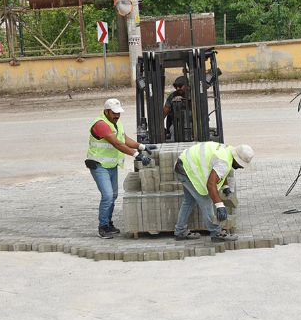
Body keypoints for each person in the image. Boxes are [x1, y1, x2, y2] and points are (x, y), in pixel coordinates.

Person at [86, 98, 156, 239]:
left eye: (118, 113)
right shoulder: (101, 124)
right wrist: (137, 155)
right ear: (106, 111)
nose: (117, 116)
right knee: (107, 195)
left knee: (114, 195)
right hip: (98, 164)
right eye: (114, 113)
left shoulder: (115, 122)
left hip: (111, 165)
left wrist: (142, 147)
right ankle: (103, 227)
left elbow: (123, 138)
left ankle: (108, 223)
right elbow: (117, 144)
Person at [173, 141, 254, 243]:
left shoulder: (228, 151)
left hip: (184, 164)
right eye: (241, 164)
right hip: (186, 170)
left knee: (189, 201)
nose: (241, 167)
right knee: (206, 200)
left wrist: (225, 186)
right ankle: (216, 233)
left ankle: (180, 231)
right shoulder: (224, 161)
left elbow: (219, 172)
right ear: (236, 159)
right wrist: (219, 205)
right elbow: (211, 184)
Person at [163, 75, 189, 141]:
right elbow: (164, 113)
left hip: (192, 123)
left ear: (187, 85)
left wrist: (184, 101)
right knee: (174, 129)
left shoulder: (194, 94)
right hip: (176, 125)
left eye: (180, 86)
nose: (177, 88)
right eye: (175, 86)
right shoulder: (172, 96)